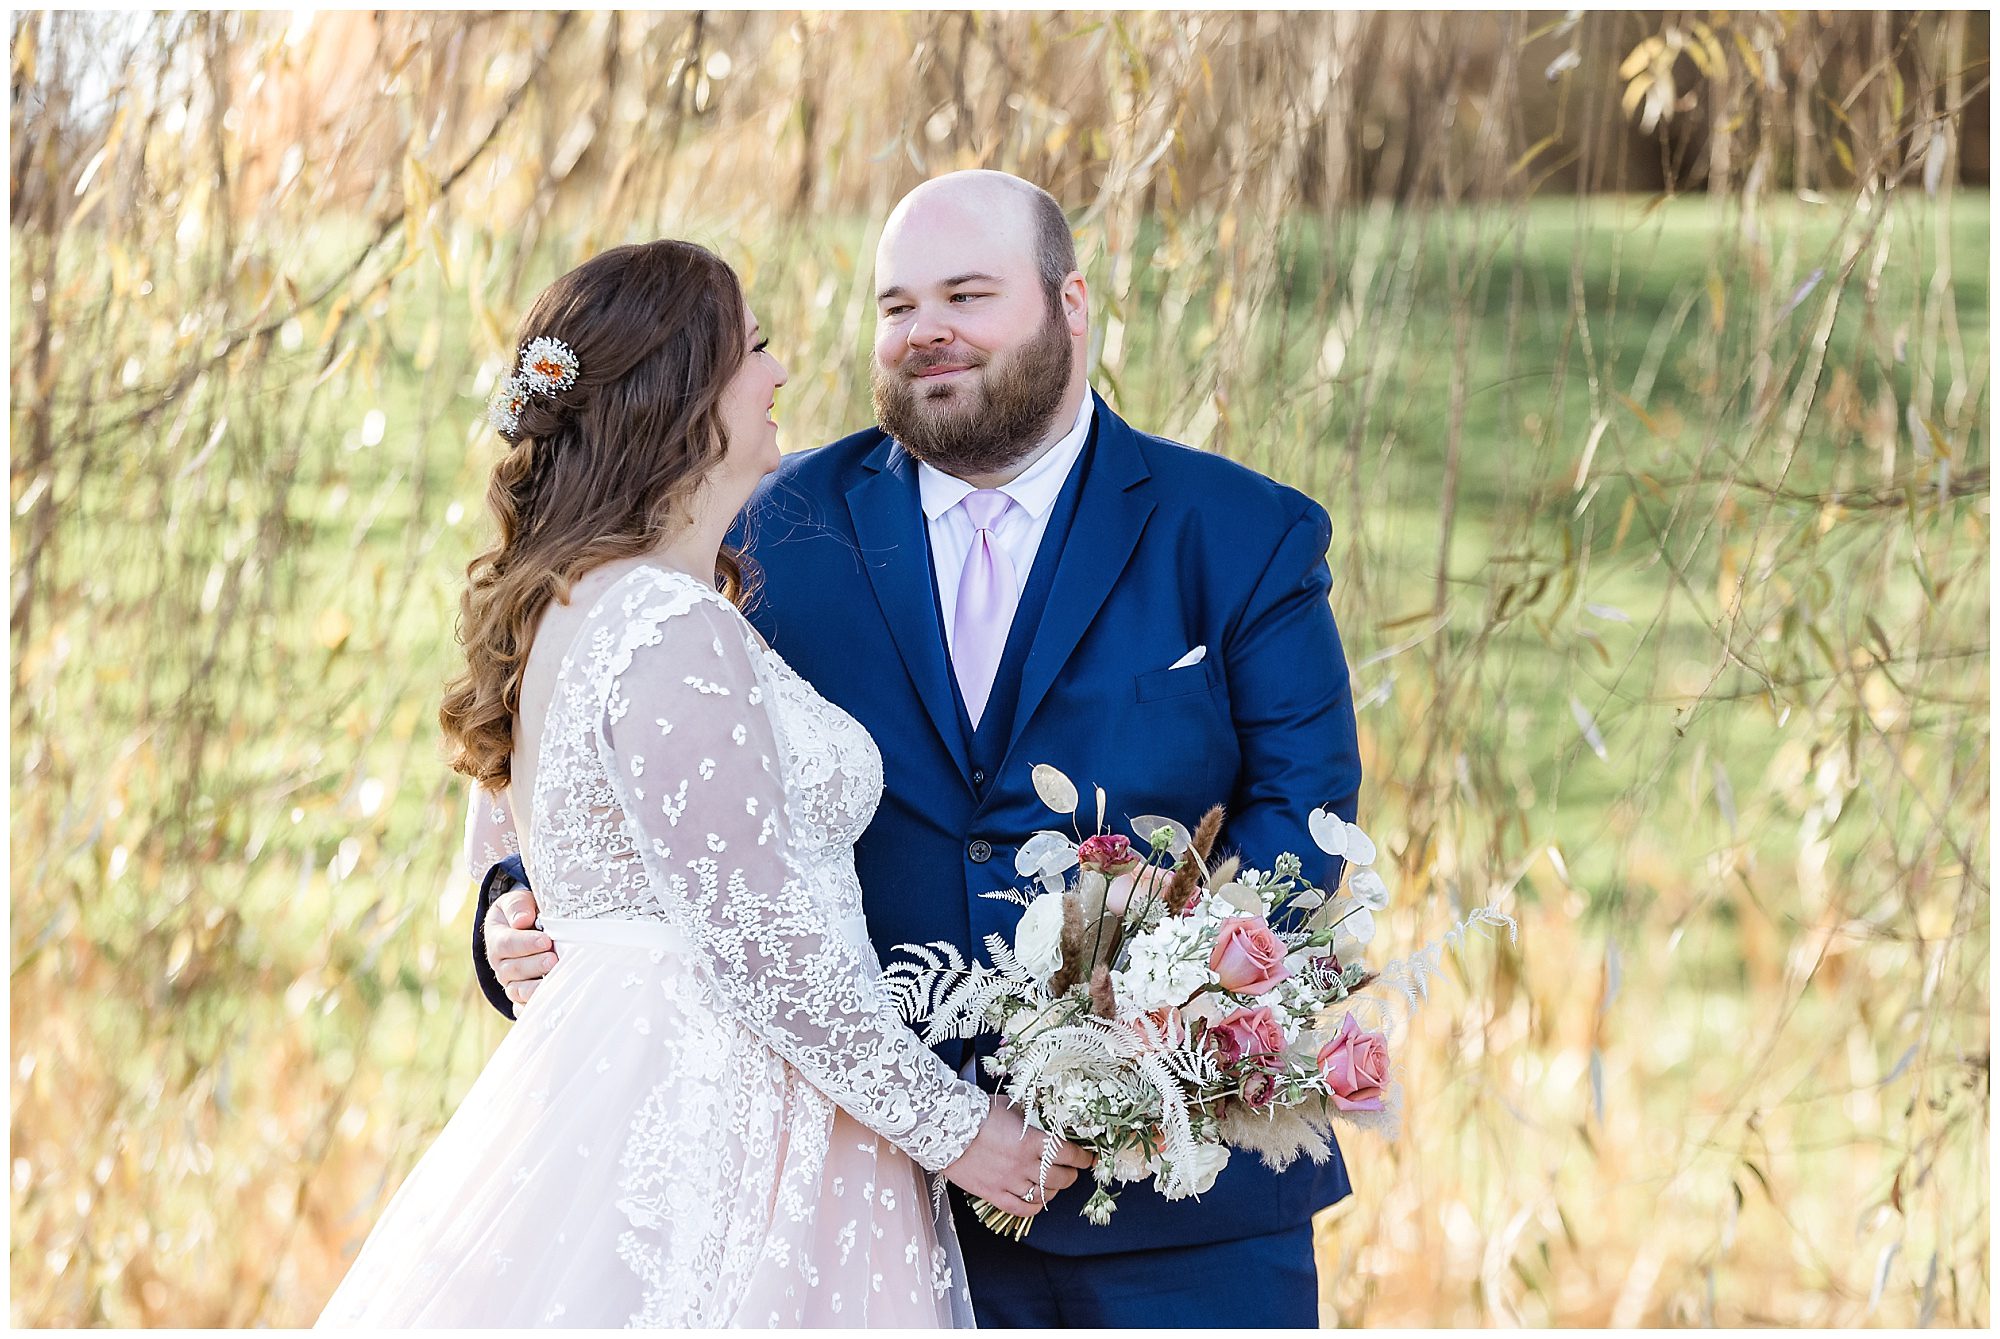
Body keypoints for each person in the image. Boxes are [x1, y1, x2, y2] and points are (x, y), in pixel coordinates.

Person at [480, 172, 1364, 1327]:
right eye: (897, 305)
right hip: (869, 1202)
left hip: (1179, 1214)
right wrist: (513, 903)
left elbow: (1299, 821)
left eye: (966, 293)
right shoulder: (749, 521)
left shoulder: (1244, 533)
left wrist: (1150, 1052)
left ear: (1070, 303)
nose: (925, 330)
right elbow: (578, 731)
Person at [319, 239, 1089, 1328]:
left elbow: (523, 836)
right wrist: (962, 1132)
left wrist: (518, 912)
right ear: (682, 397)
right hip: (725, 1129)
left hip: (651, 1090)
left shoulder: (572, 607)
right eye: (755, 350)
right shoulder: (670, 628)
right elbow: (767, 945)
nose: (778, 375)